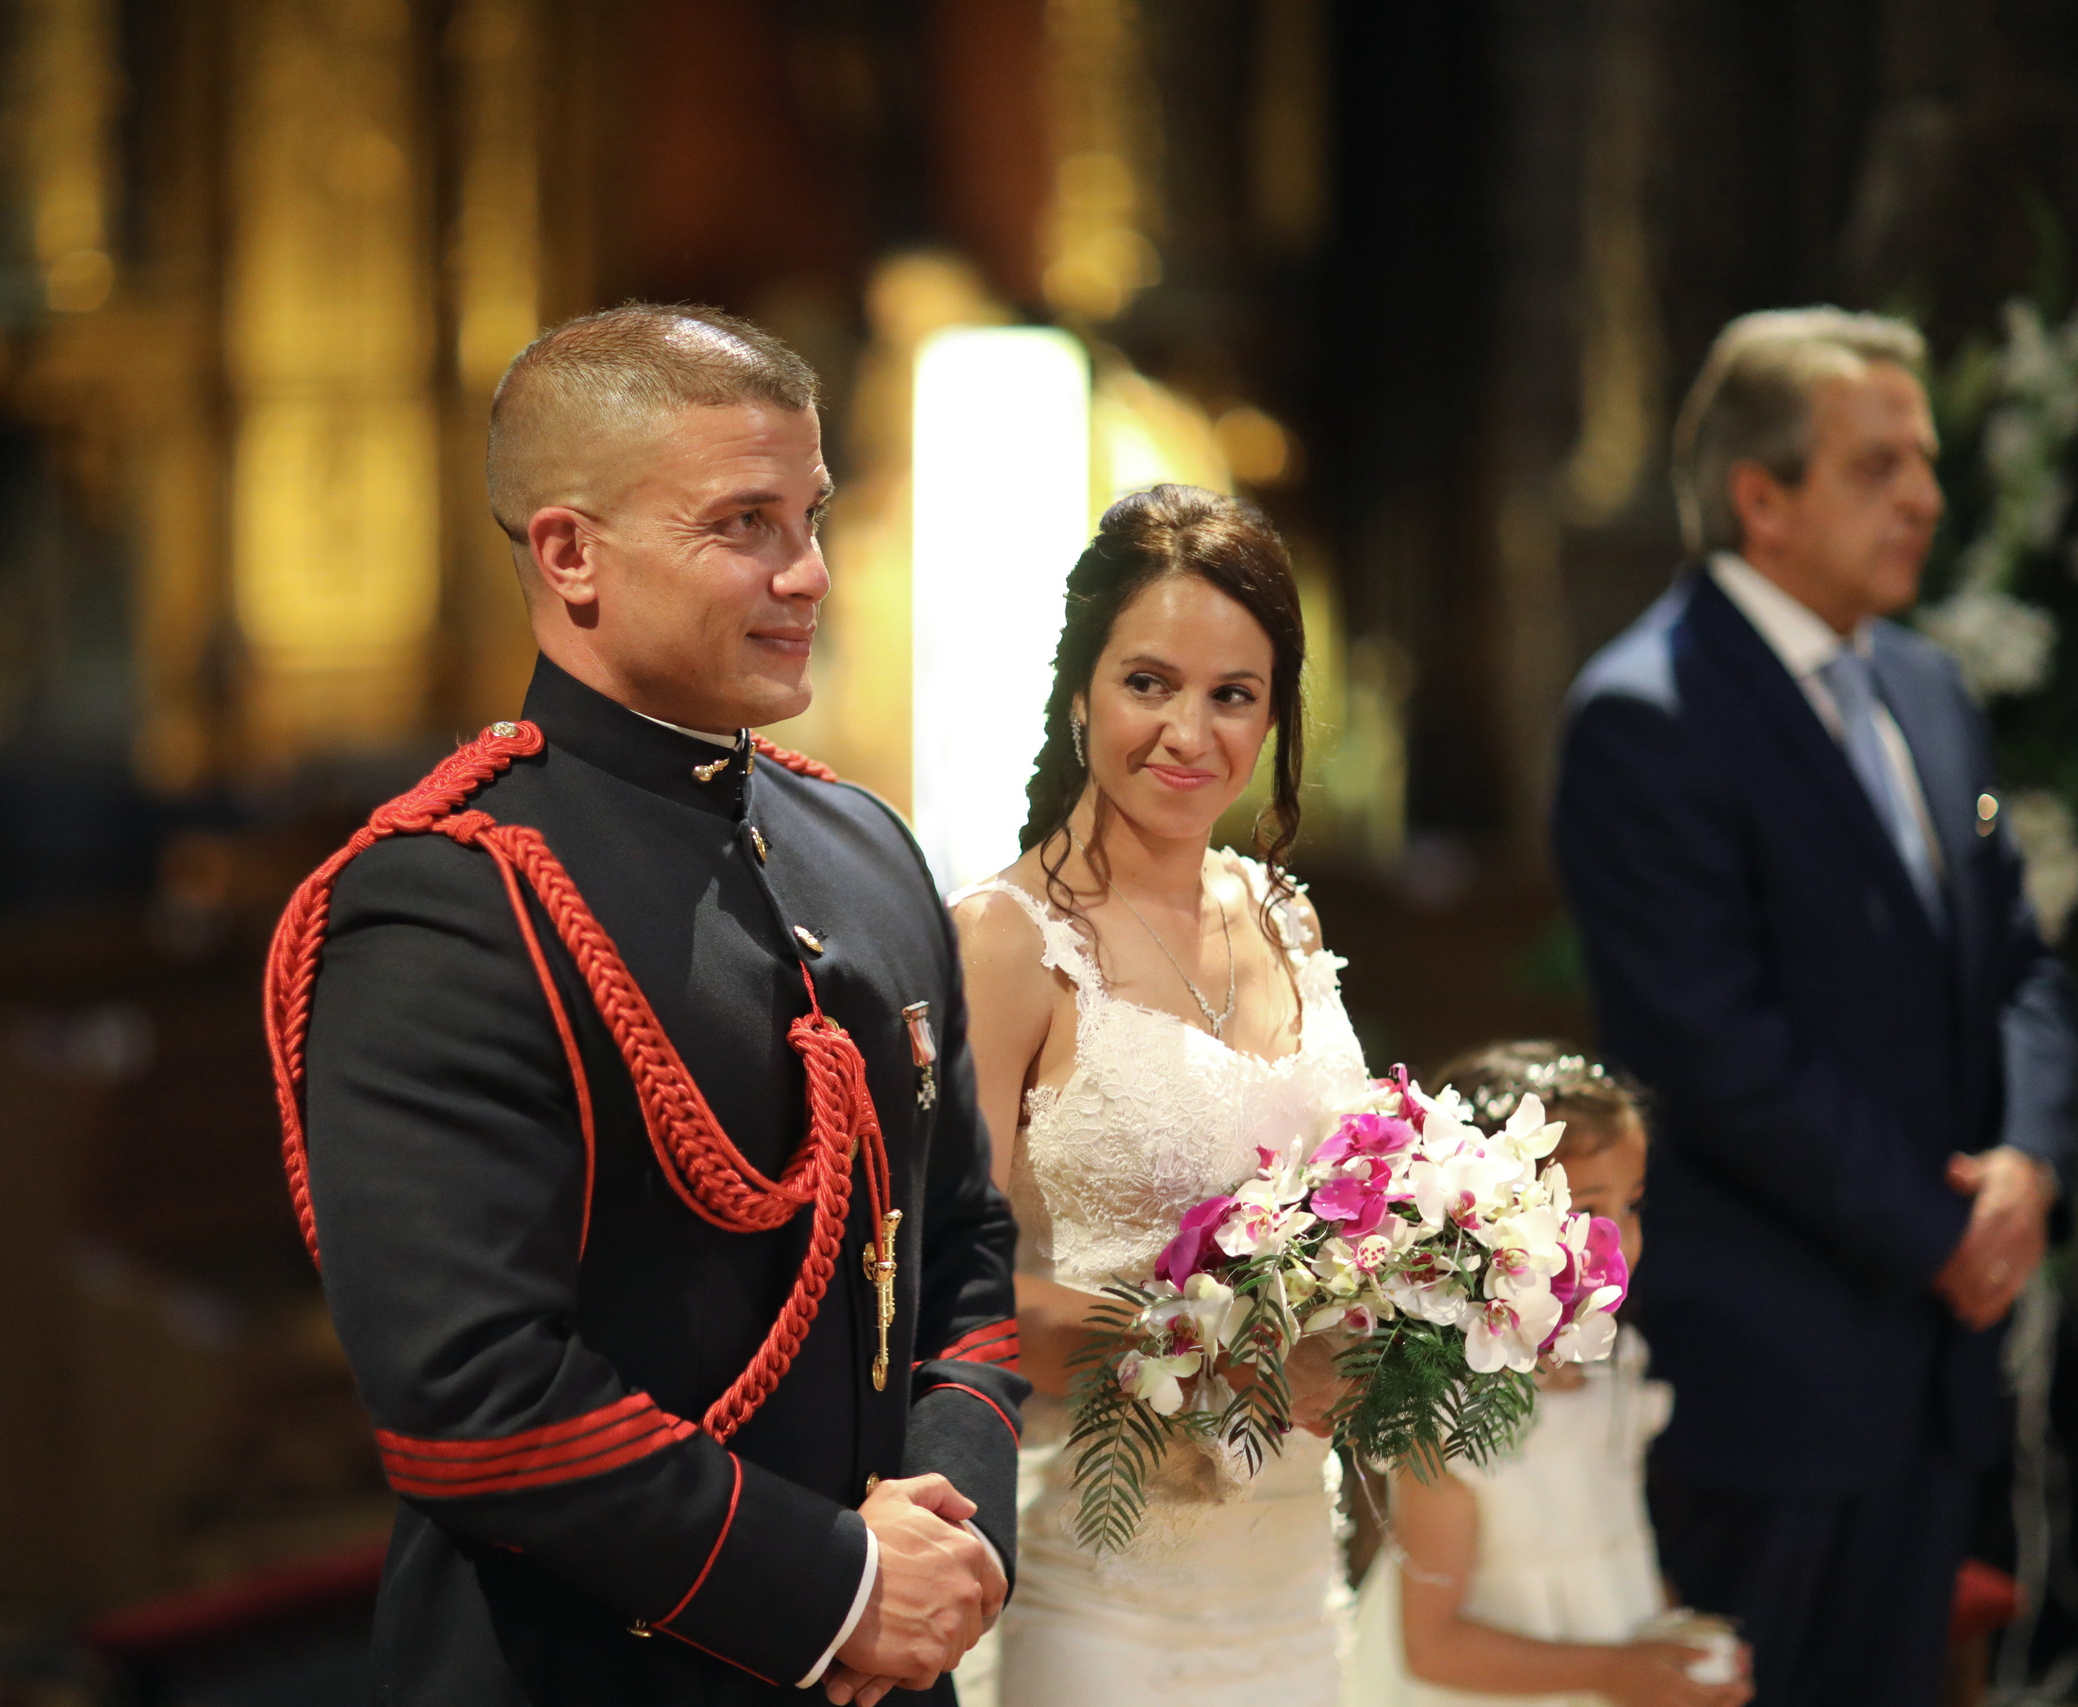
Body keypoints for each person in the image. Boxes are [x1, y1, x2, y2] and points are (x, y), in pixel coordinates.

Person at [268, 303, 1027, 1706]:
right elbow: (470, 1396)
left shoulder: (863, 846)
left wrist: (948, 1534)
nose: (808, 573)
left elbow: (962, 1237)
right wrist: (834, 1585)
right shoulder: (448, 897)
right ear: (571, 553)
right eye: (744, 524)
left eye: (810, 514)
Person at [1552, 307, 2078, 1706]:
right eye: (1880, 463)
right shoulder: (1648, 712)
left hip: (1932, 1376)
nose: (1928, 495)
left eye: (1926, 458)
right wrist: (1943, 1229)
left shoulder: (1927, 686)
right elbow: (1714, 1046)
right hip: (1769, 1381)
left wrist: (2030, 1162)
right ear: (1762, 497)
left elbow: (2023, 962)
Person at [951, 484, 1369, 1707]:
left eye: (1232, 696)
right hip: (1100, 1572)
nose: (1189, 732)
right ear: (1080, 690)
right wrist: (1215, 1350)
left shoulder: (1283, 915)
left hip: (1293, 1566)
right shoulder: (1004, 941)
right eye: (1149, 683)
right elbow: (949, 1292)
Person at [1345, 1043, 1748, 1707]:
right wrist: (1612, 1672)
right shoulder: (1447, 1405)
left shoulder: (1619, 1360)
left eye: (1635, 1203)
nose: (1623, 1238)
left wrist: (1678, 1650)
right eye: (1590, 1205)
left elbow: (1609, 1546)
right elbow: (1432, 1646)